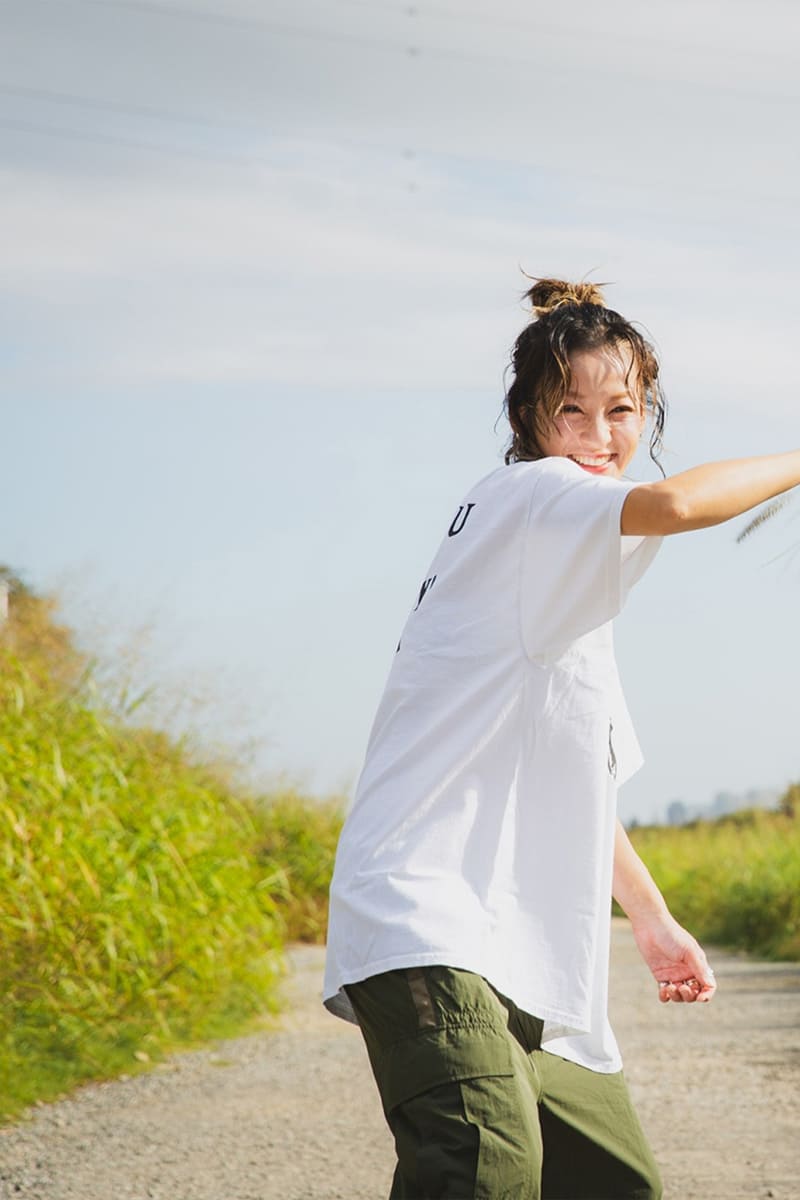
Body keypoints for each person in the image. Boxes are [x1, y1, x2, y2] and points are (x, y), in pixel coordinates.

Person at [322, 278, 800, 1199]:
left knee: (615, 1184)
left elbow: (581, 781)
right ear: (529, 421)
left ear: (648, 410)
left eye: (622, 410)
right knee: (485, 1168)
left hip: (530, 955)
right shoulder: (529, 498)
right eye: (570, 411)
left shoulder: (569, 588)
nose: (599, 436)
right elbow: (676, 506)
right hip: (428, 916)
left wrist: (653, 923)